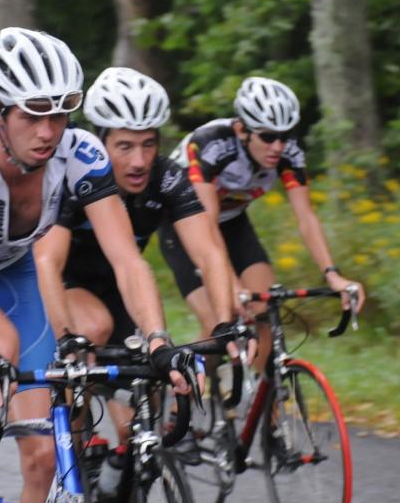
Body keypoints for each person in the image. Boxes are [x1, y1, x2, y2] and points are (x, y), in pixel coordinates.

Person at [0, 29, 195, 503]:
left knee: (44, 456)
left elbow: (128, 261)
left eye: (60, 113)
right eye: (33, 114)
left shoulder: (81, 156)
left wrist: (159, 341)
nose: (48, 131)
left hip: (11, 269)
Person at [33, 67, 246, 442]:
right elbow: (48, 262)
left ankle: (122, 485)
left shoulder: (165, 177)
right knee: (94, 327)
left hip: (120, 288)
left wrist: (223, 323)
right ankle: (75, 453)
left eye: (148, 144)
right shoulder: (73, 175)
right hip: (66, 284)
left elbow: (209, 253)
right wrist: (66, 333)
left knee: (137, 434)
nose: (139, 161)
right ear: (100, 142)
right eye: (125, 146)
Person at [160, 76, 366, 371]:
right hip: (187, 226)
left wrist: (332, 275)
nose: (278, 146)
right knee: (219, 318)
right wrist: (232, 284)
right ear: (242, 130)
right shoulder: (210, 145)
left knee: (266, 312)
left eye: (285, 135)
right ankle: (180, 387)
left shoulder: (288, 151)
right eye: (268, 137)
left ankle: (264, 411)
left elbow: (306, 217)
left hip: (232, 222)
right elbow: (206, 224)